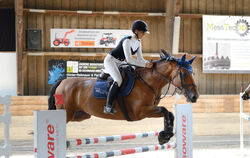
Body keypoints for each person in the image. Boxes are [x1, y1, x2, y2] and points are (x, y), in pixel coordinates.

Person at [103, 20, 153, 114]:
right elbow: (129, 59)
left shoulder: (138, 43)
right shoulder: (127, 41)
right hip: (110, 61)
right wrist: (144, 65)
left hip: (120, 62)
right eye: (143, 32)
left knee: (132, 74)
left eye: (144, 32)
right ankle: (108, 106)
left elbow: (140, 59)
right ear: (136, 31)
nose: (144, 34)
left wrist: (150, 63)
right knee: (118, 80)